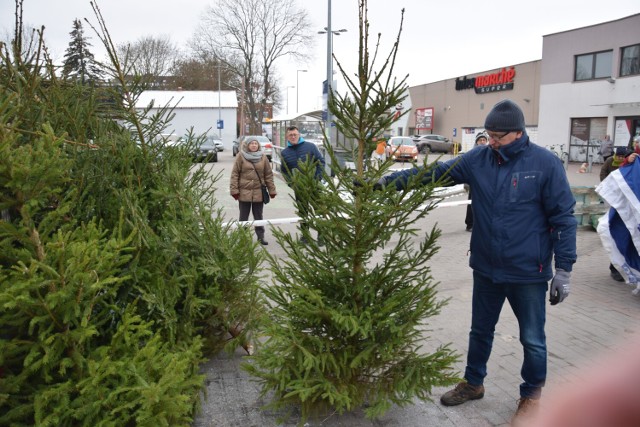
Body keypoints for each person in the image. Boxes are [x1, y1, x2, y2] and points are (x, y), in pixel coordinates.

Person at [375, 99, 577, 425]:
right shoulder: (479, 159)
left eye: (498, 136)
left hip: (529, 271)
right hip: (485, 266)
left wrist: (564, 269)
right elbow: (436, 173)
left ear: (518, 133)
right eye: (489, 135)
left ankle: (531, 396)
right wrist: (389, 182)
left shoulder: (545, 164)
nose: (492, 141)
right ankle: (473, 383)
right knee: (480, 331)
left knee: (533, 339)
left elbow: (563, 218)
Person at [280, 125, 326, 244]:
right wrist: (292, 184)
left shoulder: (310, 147)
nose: (293, 136)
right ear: (287, 137)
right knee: (303, 212)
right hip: (299, 188)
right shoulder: (285, 153)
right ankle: (305, 236)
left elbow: (320, 161)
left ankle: (322, 236)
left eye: (295, 134)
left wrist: (317, 178)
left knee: (319, 211)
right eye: (291, 135)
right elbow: (285, 171)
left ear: (299, 134)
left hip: (314, 186)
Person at [230, 138, 277, 245]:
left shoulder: (263, 157)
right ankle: (242, 238)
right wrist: (234, 190)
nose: (254, 145)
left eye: (256, 143)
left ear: (258, 146)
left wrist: (272, 190)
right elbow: (235, 174)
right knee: (243, 217)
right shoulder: (240, 156)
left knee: (258, 216)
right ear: (247, 145)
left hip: (258, 192)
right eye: (252, 143)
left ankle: (261, 237)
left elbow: (268, 175)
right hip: (244, 192)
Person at [599, 147, 629, 281]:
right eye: (620, 156)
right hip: (616, 200)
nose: (621, 159)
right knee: (618, 235)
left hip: (628, 203)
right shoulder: (611, 161)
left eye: (624, 157)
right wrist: (608, 186)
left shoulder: (630, 164)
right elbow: (603, 173)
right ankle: (615, 268)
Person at [464, 132, 488, 231]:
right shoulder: (472, 154)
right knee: (472, 203)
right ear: (476, 142)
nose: (482, 142)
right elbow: (466, 169)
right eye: (480, 140)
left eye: (484, 140)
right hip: (474, 182)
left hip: (484, 183)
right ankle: (470, 224)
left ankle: (480, 223)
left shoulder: (489, 153)